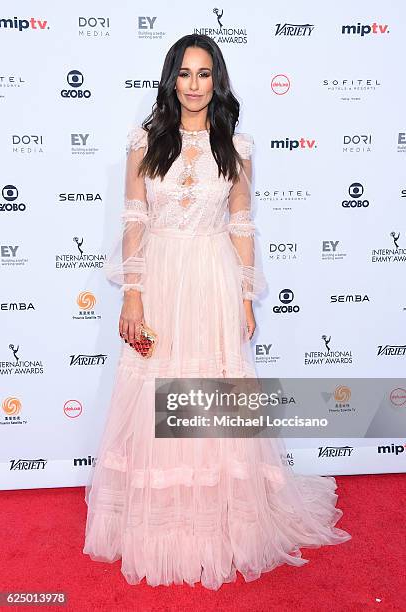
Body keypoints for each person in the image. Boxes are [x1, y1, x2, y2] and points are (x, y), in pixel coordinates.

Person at [83, 33, 351, 590]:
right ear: (170, 79)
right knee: (156, 391)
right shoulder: (144, 141)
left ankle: (221, 521)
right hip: (159, 277)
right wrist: (132, 293)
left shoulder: (238, 146)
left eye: (204, 74)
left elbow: (242, 226)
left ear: (217, 80)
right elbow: (133, 220)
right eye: (184, 74)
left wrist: (247, 296)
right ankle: (165, 525)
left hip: (212, 279)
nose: (194, 85)